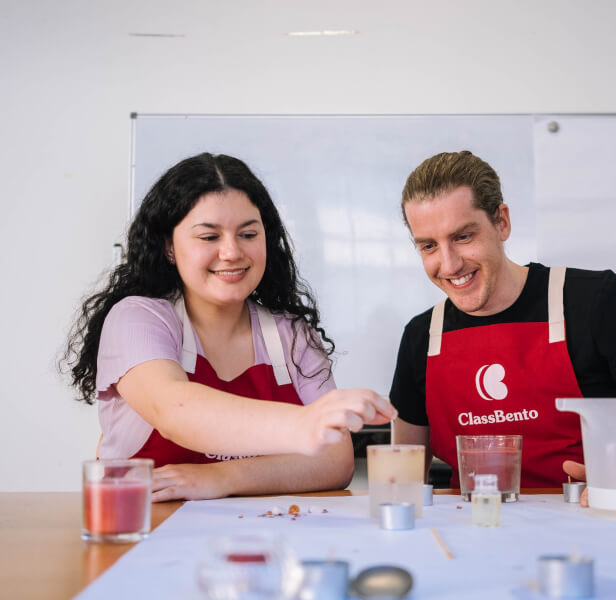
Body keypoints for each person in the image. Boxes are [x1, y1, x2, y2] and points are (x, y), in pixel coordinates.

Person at [389, 150, 616, 501]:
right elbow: (399, 481)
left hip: (599, 531)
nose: (449, 264)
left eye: (463, 237)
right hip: (474, 535)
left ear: (501, 222)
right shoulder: (422, 338)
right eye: (429, 246)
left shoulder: (597, 304)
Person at [63, 153, 395, 502]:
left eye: (248, 233)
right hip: (145, 531)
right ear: (169, 248)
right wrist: (305, 425)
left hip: (261, 539)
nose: (232, 252)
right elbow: (175, 410)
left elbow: (335, 461)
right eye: (209, 237)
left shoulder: (292, 336)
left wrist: (222, 477)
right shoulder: (137, 319)